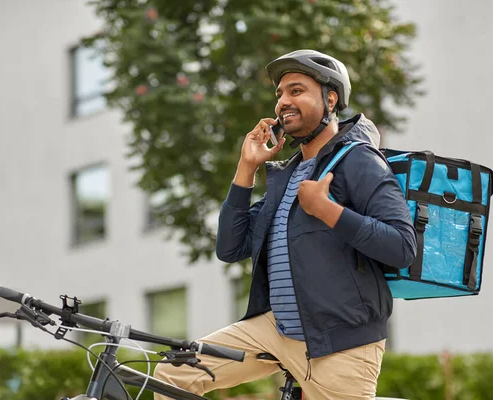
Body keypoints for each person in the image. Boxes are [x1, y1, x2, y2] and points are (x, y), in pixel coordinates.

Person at [154, 49, 417, 400]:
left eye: (296, 90)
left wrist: (328, 210)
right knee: (175, 372)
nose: (283, 101)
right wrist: (246, 167)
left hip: (340, 342)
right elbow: (230, 248)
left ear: (331, 98)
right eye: (279, 94)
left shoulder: (360, 160)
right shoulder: (288, 175)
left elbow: (402, 247)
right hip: (275, 330)